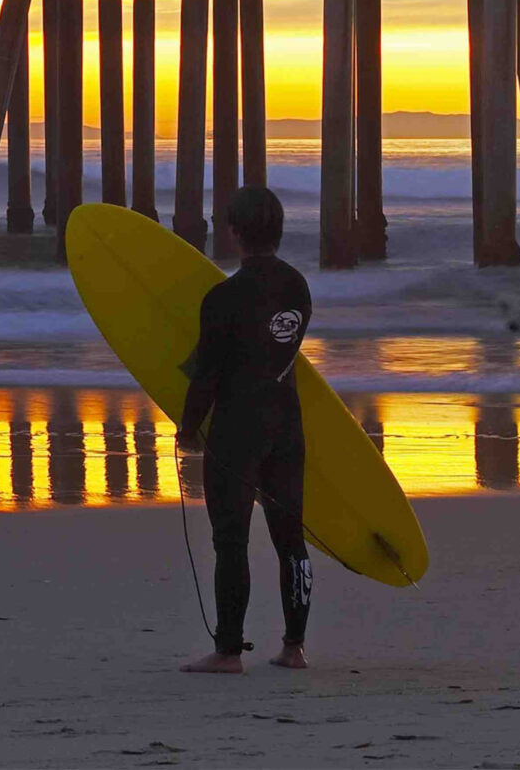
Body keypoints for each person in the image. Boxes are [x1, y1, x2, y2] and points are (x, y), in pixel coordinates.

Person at [178, 185, 313, 674]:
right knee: (290, 539)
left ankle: (228, 651)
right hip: (286, 426)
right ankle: (295, 646)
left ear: (233, 233)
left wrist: (188, 429)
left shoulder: (223, 298)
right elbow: (281, 353)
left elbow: (208, 376)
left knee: (230, 539)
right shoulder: (298, 287)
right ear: (277, 230)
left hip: (237, 430)